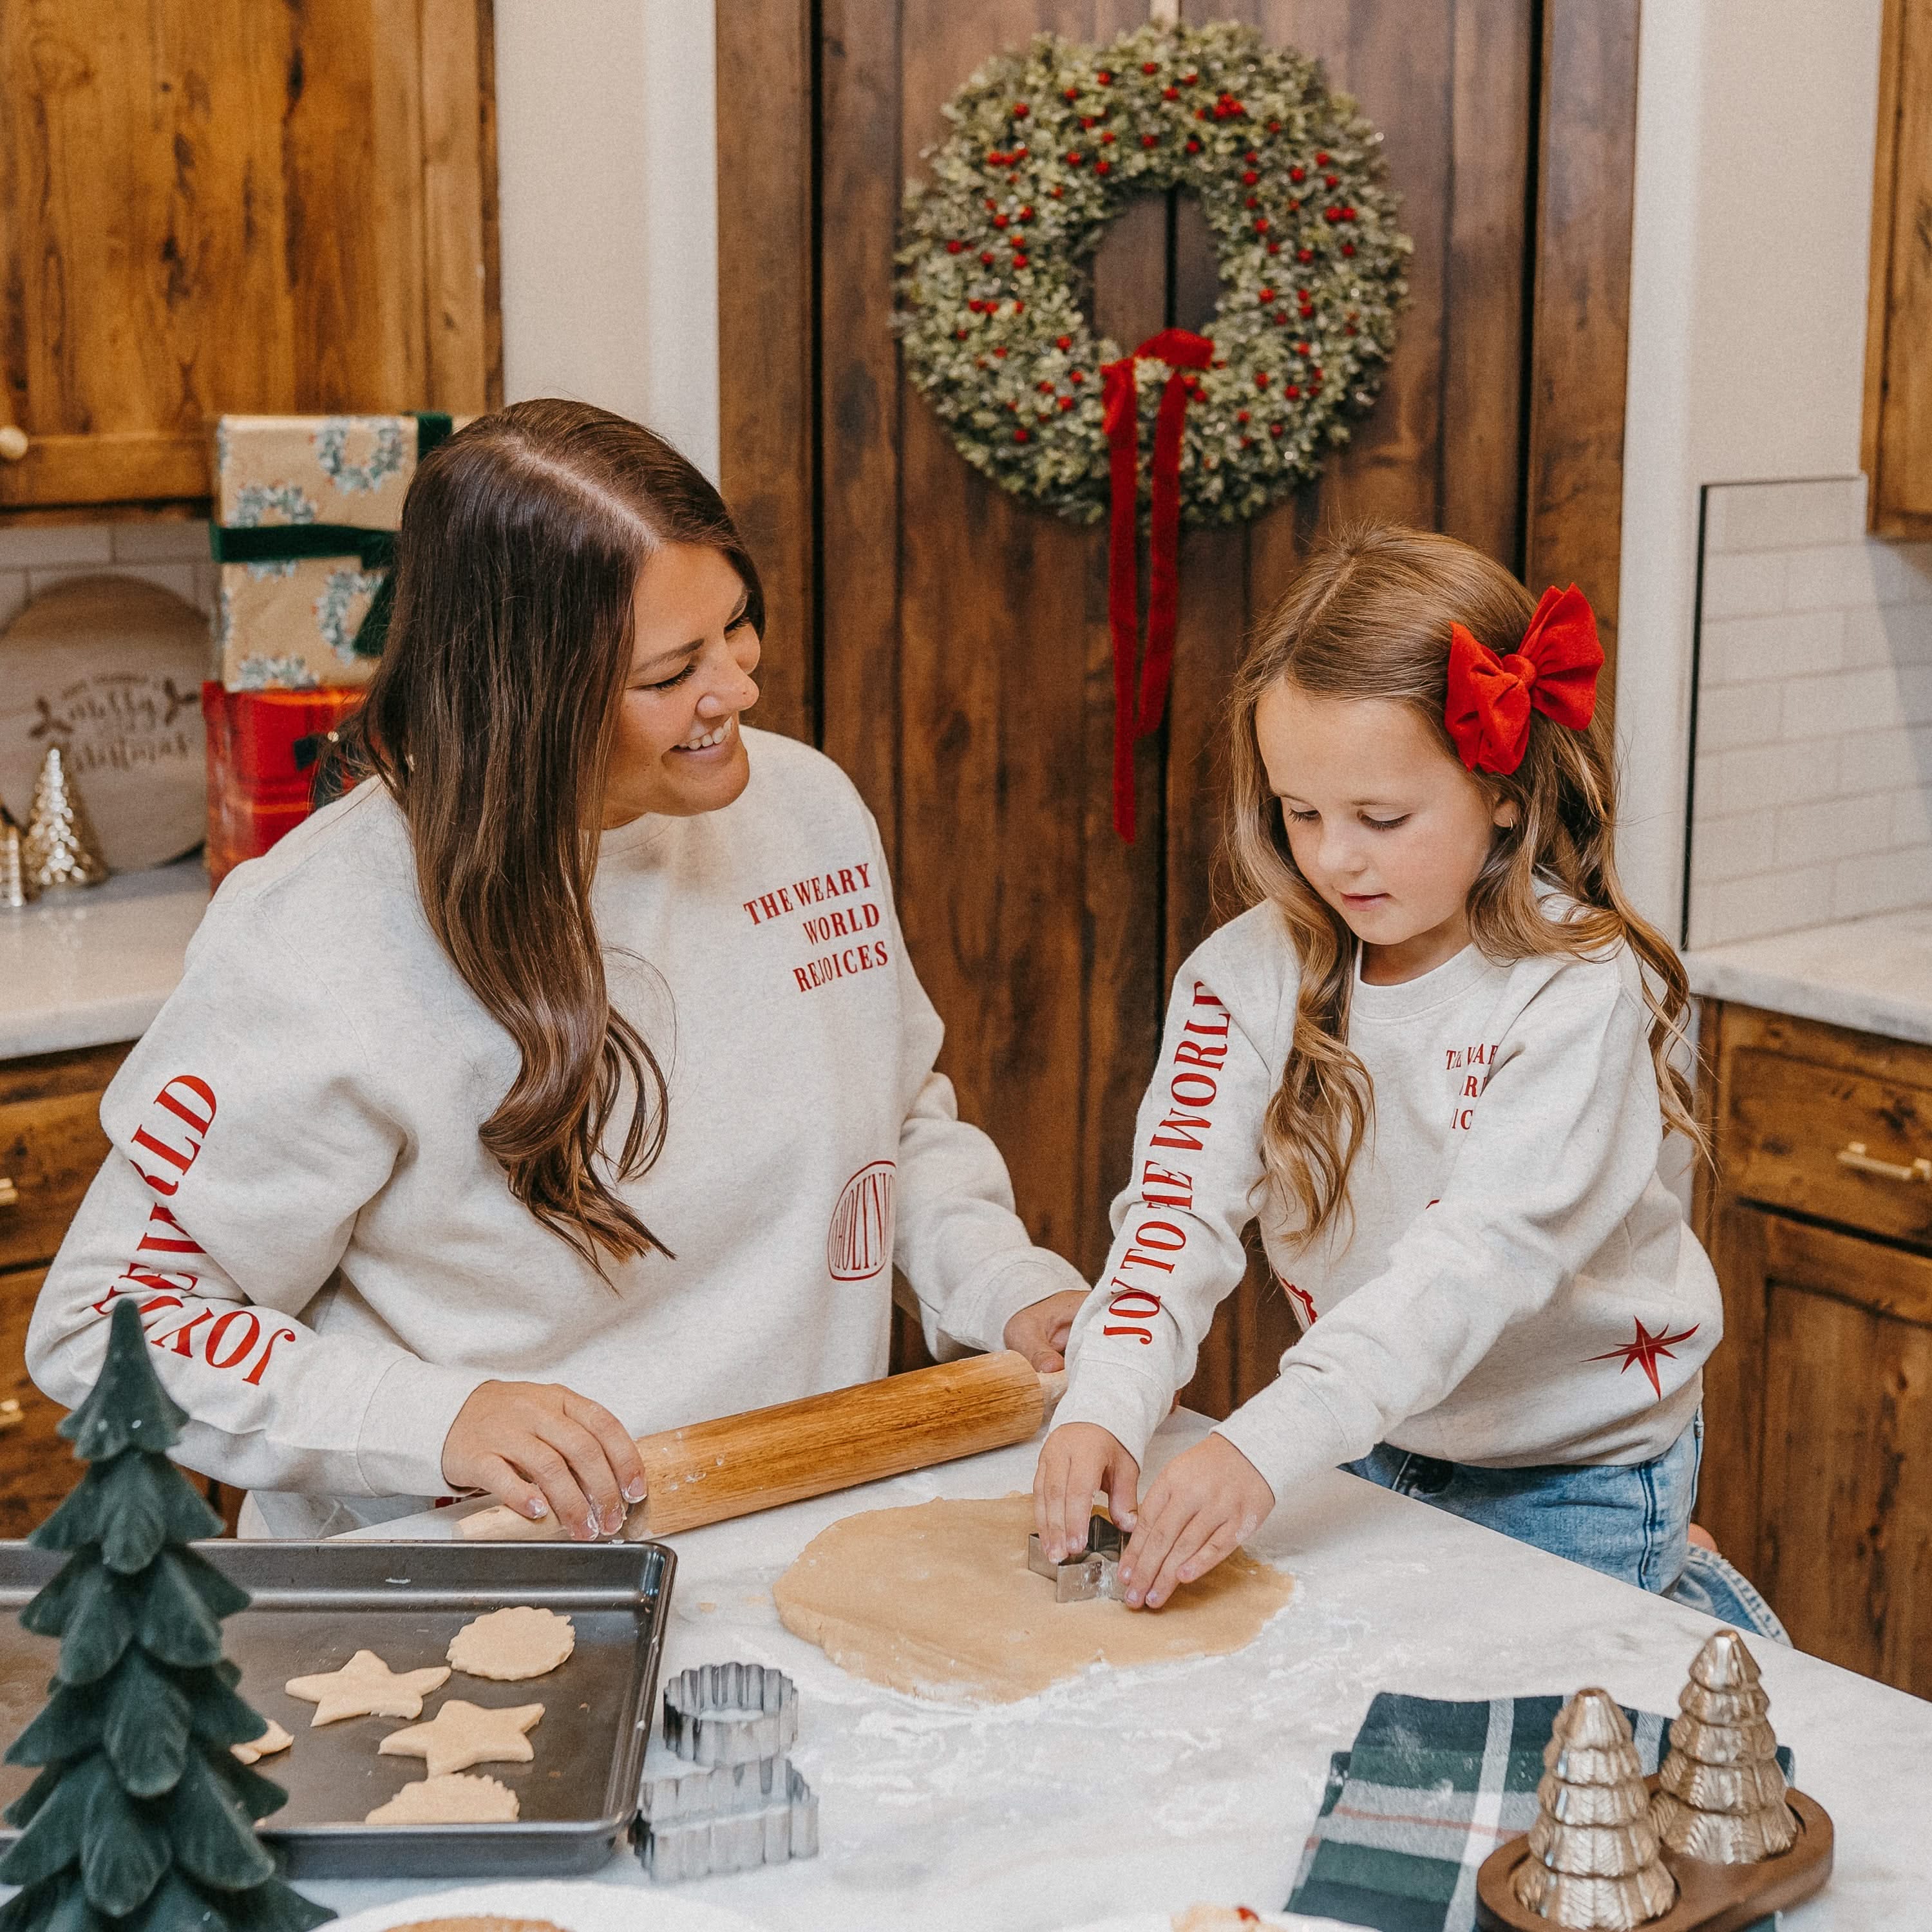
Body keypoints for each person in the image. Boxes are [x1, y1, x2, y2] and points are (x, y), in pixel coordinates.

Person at [30, 401, 1086, 1539]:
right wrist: (436, 1417)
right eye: (671, 670)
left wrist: (1006, 1287)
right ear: (523, 696)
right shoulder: (318, 936)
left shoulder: (809, 811)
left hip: (781, 1529)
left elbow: (888, 1121)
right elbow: (108, 1328)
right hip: (469, 1584)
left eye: (737, 626)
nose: (737, 690)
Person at [1034, 524, 1783, 1639]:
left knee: (1528, 1767)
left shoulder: (1574, 991)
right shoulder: (1243, 977)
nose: (1334, 858)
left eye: (1381, 818)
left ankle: (1691, 1593)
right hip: (1375, 1435)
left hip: (1571, 1474)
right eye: (1301, 812)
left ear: (1506, 794)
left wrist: (1261, 1446)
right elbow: (1172, 1219)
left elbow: (1472, 1266)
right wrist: (1104, 1400)